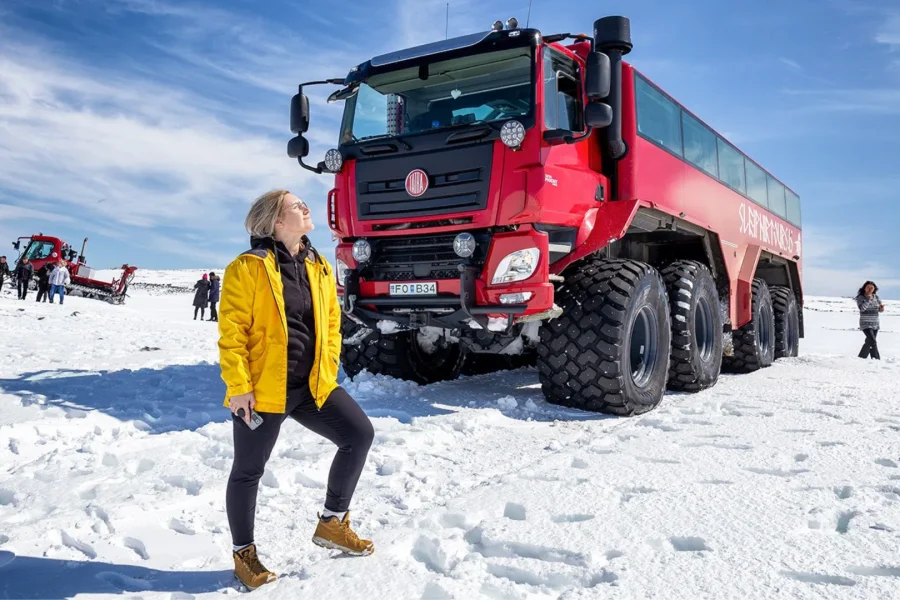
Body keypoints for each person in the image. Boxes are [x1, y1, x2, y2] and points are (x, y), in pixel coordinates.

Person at [219, 189, 374, 590]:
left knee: (358, 434)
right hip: (264, 390)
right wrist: (239, 387)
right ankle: (243, 553)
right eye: (296, 205)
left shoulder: (317, 264)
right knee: (248, 470)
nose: (306, 208)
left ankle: (333, 523)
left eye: (303, 202)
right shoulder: (248, 267)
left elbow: (332, 323)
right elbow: (232, 333)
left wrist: (329, 367)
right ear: (275, 221)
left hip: (312, 385)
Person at [856, 281, 884, 360]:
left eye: (871, 287)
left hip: (875, 323)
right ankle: (876, 359)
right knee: (872, 340)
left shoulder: (876, 297)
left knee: (870, 341)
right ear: (864, 288)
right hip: (865, 323)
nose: (870, 289)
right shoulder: (861, 297)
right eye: (868, 287)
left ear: (874, 289)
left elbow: (879, 309)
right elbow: (862, 308)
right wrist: (868, 299)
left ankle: (862, 358)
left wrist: (881, 309)